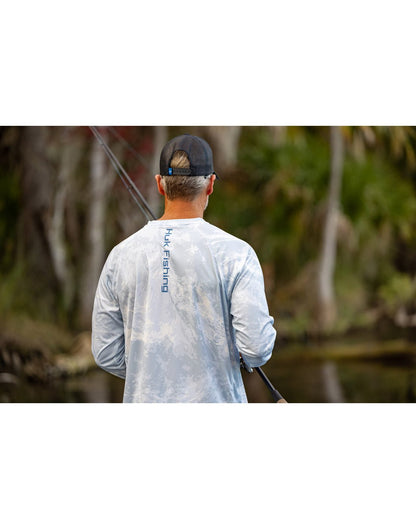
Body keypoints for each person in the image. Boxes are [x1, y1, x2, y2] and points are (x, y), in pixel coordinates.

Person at [92, 134, 276, 402]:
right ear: (211, 184)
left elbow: (105, 352)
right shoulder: (238, 255)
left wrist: (154, 373)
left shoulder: (120, 256)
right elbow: (256, 348)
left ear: (159, 184)